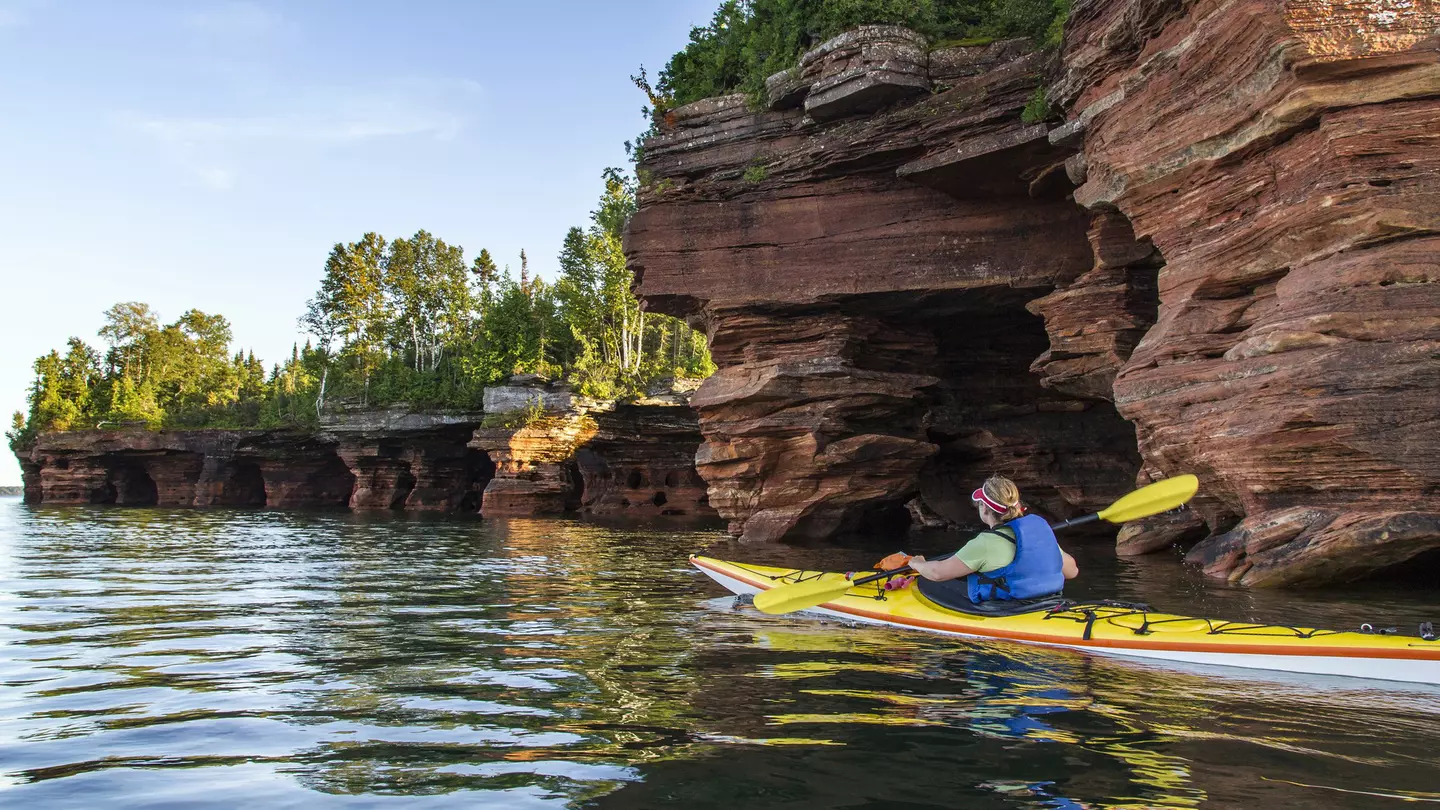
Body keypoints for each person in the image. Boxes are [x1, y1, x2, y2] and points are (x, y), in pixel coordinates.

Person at [906, 474, 1078, 605]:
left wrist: (917, 563)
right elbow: (1072, 571)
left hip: (1005, 610)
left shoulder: (985, 543)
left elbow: (937, 573)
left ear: (985, 509)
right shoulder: (1040, 533)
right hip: (1049, 603)